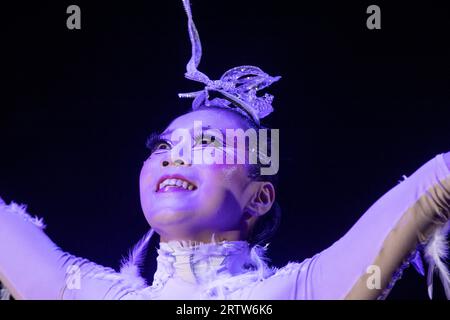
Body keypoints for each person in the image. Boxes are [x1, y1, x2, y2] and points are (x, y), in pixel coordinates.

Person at [1, 0, 449, 300]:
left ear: (259, 197)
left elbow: (434, 183)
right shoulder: (79, 289)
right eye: (163, 146)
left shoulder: (298, 293)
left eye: (207, 143)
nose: (174, 155)